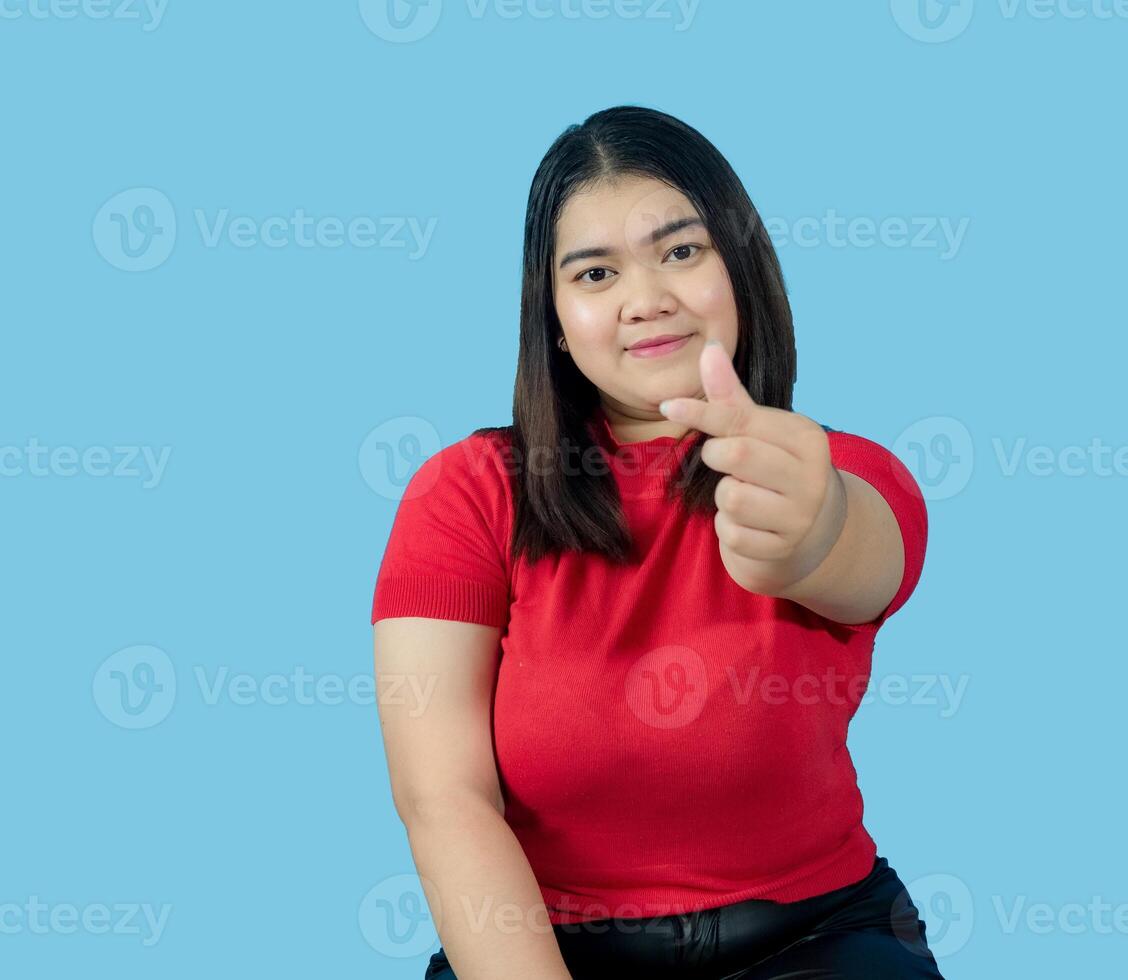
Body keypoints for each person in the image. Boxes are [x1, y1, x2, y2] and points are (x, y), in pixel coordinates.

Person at [370, 104, 944, 979]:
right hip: (543, 945)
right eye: (595, 274)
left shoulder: (831, 468)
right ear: (555, 319)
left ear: (741, 268)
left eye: (681, 251)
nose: (647, 300)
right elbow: (443, 799)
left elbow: (861, 559)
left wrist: (809, 532)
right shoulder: (465, 493)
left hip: (815, 936)